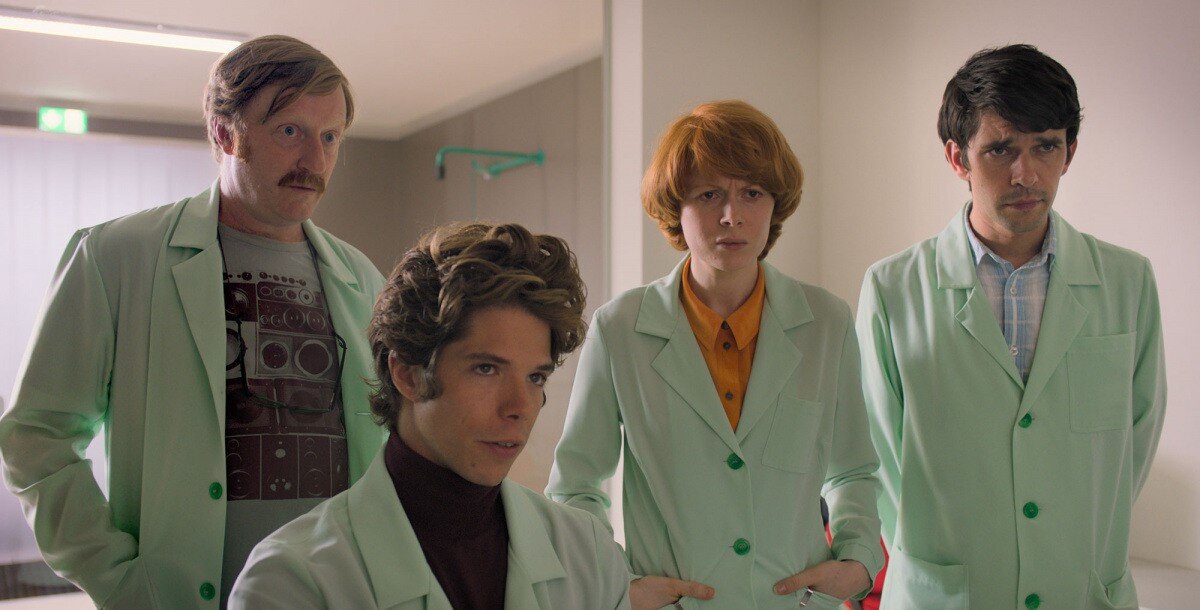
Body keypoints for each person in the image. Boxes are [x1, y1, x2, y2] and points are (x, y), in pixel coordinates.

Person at [0, 35, 386, 608]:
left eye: (330, 137)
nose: (314, 160)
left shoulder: (362, 279)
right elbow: (37, 436)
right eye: (290, 131)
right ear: (225, 133)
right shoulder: (116, 257)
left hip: (338, 593)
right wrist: (117, 578)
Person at [856, 44, 1166, 609]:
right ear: (957, 158)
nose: (1026, 174)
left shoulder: (1129, 282)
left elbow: (1134, 445)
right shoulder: (891, 289)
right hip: (951, 594)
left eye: (1045, 146)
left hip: (1082, 588)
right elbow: (877, 456)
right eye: (1000, 149)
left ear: (1069, 152)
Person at [548, 100, 883, 609]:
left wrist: (857, 561)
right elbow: (575, 486)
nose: (732, 216)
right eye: (709, 195)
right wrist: (616, 582)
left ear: (774, 204)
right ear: (676, 210)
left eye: (752, 193)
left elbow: (853, 469)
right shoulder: (621, 329)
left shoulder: (825, 322)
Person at [229, 222, 631, 609]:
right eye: (486, 369)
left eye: (535, 377)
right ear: (407, 373)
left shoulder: (589, 557)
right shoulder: (292, 581)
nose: (519, 408)